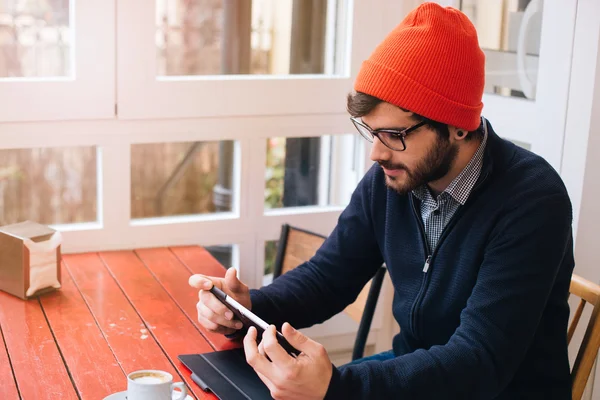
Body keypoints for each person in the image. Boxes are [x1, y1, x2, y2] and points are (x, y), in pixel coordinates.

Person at [189, 3, 575, 399]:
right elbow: (328, 279)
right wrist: (247, 307)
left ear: (458, 125)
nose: (376, 153)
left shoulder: (533, 200)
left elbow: (479, 359)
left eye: (394, 134)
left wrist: (337, 387)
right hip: (411, 376)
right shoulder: (392, 179)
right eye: (370, 131)